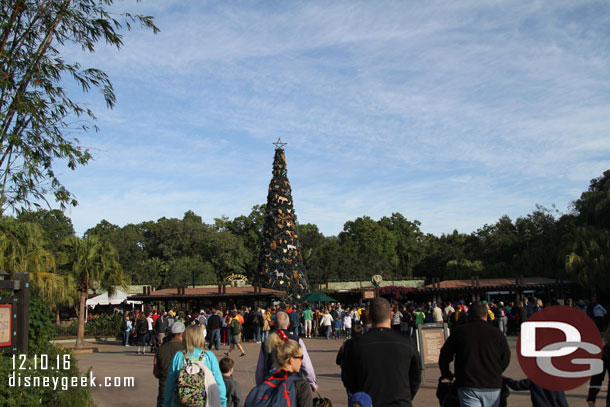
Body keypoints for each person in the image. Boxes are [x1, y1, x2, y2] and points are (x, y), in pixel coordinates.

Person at [342, 297, 421, 406]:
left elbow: (348, 378)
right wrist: (406, 397)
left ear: (369, 317)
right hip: (400, 402)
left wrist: (361, 396)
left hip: (369, 402)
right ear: (391, 315)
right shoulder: (407, 342)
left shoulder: (355, 344)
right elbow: (416, 377)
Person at [439, 301, 511, 407]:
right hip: (492, 384)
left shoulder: (460, 332)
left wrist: (446, 373)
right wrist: (496, 371)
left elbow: (445, 355)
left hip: (467, 383)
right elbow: (506, 357)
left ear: (469, 315)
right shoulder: (497, 333)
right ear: (486, 315)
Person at [164, 325, 227, 407]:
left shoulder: (179, 356)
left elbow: (170, 384)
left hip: (181, 402)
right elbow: (219, 383)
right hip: (204, 402)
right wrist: (222, 402)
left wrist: (167, 403)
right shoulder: (208, 356)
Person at [246, 330, 313, 407]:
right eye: (300, 357)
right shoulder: (300, 385)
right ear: (291, 360)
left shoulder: (263, 385)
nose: (302, 361)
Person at [255, 311, 318, 392]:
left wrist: (260, 385)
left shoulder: (267, 342)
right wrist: (312, 383)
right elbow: (306, 364)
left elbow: (260, 368)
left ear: (274, 323)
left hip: (271, 385)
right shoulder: (296, 340)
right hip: (293, 384)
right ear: (288, 324)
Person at [154, 322, 186, 407]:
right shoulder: (185, 349)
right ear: (182, 334)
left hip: (163, 390)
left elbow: (156, 372)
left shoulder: (161, 349)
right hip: (182, 392)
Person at [503, 376, 567, 407]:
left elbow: (516, 386)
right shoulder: (556, 382)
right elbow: (562, 401)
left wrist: (506, 379)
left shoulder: (534, 379)